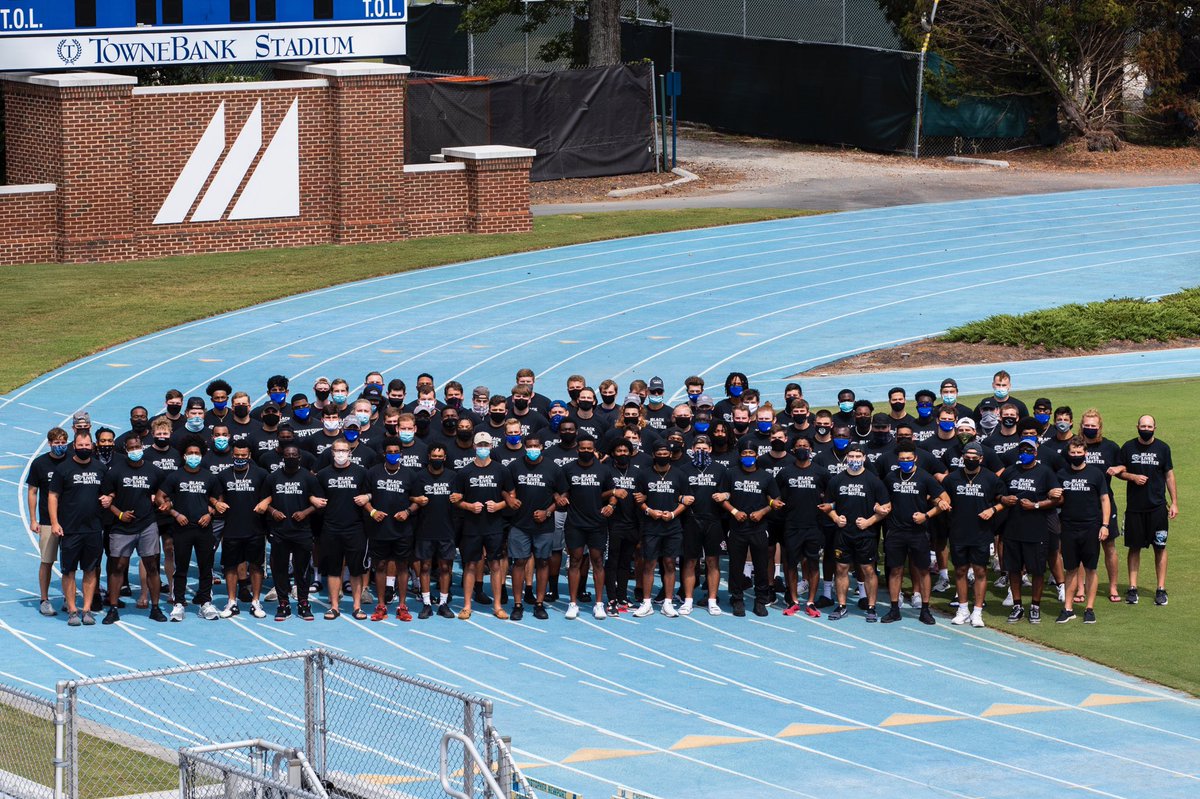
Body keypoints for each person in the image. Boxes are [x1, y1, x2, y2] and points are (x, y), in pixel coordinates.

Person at [100, 433, 168, 623]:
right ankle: (113, 608)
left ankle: (155, 608)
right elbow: (105, 500)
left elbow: (164, 494)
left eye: (138, 447)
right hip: (121, 527)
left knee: (152, 566)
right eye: (131, 448)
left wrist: (165, 503)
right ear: (125, 450)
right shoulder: (115, 472)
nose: (135, 450)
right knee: (117, 567)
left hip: (147, 524)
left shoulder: (154, 471)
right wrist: (120, 514)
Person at [881, 443, 949, 625]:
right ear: (898, 460)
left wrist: (926, 515)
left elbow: (945, 500)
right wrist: (882, 507)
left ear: (915, 459)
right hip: (895, 531)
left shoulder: (925, 478)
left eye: (908, 459)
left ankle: (925, 610)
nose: (905, 462)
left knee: (923, 571)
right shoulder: (891, 477)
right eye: (902, 460)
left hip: (918, 532)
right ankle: (894, 608)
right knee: (895, 570)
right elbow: (884, 499)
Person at [156, 436, 223, 622]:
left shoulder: (209, 477)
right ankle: (178, 603)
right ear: (184, 455)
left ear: (201, 455)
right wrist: (175, 513)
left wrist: (210, 514)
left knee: (205, 567)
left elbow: (219, 500)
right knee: (181, 567)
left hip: (204, 528)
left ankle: (205, 602)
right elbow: (159, 497)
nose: (194, 456)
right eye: (190, 453)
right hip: (182, 528)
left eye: (197, 453)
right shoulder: (175, 476)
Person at [48, 431, 109, 626]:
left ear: (92, 446)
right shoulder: (63, 469)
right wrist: (55, 522)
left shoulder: (100, 468)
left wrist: (110, 498)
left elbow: (108, 492)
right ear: (74, 446)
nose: (84, 448)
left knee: (91, 571)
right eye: (80, 445)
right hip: (70, 530)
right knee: (69, 571)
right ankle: (73, 610)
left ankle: (87, 609)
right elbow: (52, 496)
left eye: (87, 445)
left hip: (93, 529)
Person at [822, 444, 888, 622]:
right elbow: (827, 506)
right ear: (846, 459)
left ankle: (871, 607)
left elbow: (886, 507)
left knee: (868, 569)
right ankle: (842, 605)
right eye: (851, 456)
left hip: (865, 535)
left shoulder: (873, 481)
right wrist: (835, 518)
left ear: (864, 458)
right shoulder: (836, 480)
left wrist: (869, 521)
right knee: (841, 568)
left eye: (858, 457)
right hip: (843, 533)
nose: (854, 460)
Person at [452, 433, 515, 620]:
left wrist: (499, 505)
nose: (483, 447)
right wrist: (469, 506)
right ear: (474, 446)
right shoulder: (464, 472)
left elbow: (511, 496)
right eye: (480, 444)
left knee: (495, 565)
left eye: (486, 444)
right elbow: (456, 500)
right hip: (472, 526)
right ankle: (466, 605)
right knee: (470, 565)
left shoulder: (501, 470)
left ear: (491, 446)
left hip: (494, 525)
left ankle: (497, 606)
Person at [1118, 415, 1178, 606]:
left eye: (1149, 426)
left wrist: (1174, 502)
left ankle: (1161, 589)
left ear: (1155, 427)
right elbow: (1120, 471)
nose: (1146, 428)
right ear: (1137, 427)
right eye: (1143, 425)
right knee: (1134, 548)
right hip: (1135, 508)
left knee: (1160, 548)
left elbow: (1169, 475)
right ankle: (1133, 588)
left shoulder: (1163, 448)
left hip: (1158, 508)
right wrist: (1133, 477)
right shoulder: (1128, 447)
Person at [999, 439, 1061, 624]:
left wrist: (1035, 505)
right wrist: (1003, 498)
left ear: (1035, 453)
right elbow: (997, 493)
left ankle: (1035, 606)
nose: (1025, 452)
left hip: (1036, 529)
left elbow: (1058, 499)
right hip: (1012, 528)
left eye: (1029, 450)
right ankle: (1017, 606)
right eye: (1022, 449)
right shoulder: (1010, 472)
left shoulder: (1045, 473)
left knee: (1037, 571)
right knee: (1014, 570)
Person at [942, 442, 1002, 627]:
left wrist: (992, 510)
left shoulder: (991, 478)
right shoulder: (952, 478)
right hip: (958, 531)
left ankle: (977, 612)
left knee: (980, 571)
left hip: (981, 532)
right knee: (960, 570)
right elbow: (942, 495)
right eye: (967, 457)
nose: (970, 460)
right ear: (962, 458)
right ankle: (962, 609)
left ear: (981, 459)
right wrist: (942, 501)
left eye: (974, 457)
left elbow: (1003, 501)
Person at [507, 434, 567, 620]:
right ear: (524, 447)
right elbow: (504, 487)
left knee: (542, 562)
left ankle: (539, 604)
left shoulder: (553, 468)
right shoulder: (515, 466)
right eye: (529, 446)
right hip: (519, 524)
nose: (533, 449)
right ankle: (517, 604)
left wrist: (547, 512)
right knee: (519, 562)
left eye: (536, 446)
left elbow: (563, 493)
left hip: (544, 525)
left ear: (542, 446)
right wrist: (509, 498)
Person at [311, 439, 372, 620]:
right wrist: (312, 499)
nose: (340, 453)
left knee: (355, 570)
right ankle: (334, 607)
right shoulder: (322, 475)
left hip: (355, 528)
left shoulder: (361, 473)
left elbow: (373, 491)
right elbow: (311, 492)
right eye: (337, 450)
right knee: (333, 569)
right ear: (332, 452)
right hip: (330, 528)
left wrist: (367, 496)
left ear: (350, 452)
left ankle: (356, 606)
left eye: (344, 450)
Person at [1052, 436, 1110, 624]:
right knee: (1071, 569)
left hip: (1091, 527)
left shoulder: (1095, 474)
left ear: (1086, 453)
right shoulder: (1061, 474)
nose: (1076, 455)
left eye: (1079, 452)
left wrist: (1105, 525)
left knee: (1091, 569)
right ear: (1068, 454)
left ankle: (1089, 608)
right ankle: (1068, 608)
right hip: (1068, 527)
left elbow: (1104, 499)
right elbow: (1055, 498)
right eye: (1073, 453)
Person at [720, 445, 783, 617]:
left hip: (759, 528)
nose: (748, 456)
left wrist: (762, 512)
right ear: (740, 456)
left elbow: (775, 499)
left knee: (761, 566)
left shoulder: (766, 476)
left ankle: (761, 600)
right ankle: (737, 598)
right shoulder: (730, 473)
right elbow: (722, 497)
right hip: (737, 528)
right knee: (736, 566)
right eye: (745, 453)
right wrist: (734, 512)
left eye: (751, 453)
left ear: (756, 455)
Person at [632, 442, 693, 617]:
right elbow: (638, 499)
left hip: (673, 527)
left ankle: (668, 602)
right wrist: (649, 511)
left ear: (670, 455)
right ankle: (646, 603)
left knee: (669, 564)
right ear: (653, 454)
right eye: (660, 452)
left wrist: (673, 514)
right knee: (649, 564)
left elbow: (686, 500)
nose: (663, 455)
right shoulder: (644, 475)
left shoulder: (679, 475)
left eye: (666, 452)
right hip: (651, 526)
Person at [212, 442, 270, 619]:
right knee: (230, 567)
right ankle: (231, 602)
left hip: (255, 528)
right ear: (232, 455)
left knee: (256, 567)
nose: (239, 458)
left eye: (243, 455)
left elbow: (271, 492)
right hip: (231, 529)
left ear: (249, 455)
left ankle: (255, 601)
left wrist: (266, 502)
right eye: (237, 455)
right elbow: (214, 495)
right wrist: (216, 503)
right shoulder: (223, 475)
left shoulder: (260, 473)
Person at [365, 438, 421, 622]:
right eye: (390, 452)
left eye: (396, 451)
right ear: (384, 454)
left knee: (402, 566)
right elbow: (364, 498)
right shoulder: (373, 473)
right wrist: (372, 512)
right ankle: (381, 605)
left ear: (401, 454)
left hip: (403, 530)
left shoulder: (410, 475)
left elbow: (417, 500)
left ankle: (402, 606)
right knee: (380, 566)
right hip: (379, 529)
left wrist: (407, 512)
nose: (393, 455)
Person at [561, 435, 615, 620]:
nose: (585, 451)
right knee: (574, 561)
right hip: (575, 523)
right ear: (577, 450)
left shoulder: (604, 470)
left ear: (594, 450)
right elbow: (562, 491)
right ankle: (572, 604)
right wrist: (559, 498)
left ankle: (599, 604)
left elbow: (612, 492)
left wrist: (612, 505)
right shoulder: (568, 469)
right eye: (582, 449)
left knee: (598, 561)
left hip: (597, 524)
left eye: (589, 449)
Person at [262, 444, 319, 620]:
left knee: (302, 569)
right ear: (283, 458)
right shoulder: (273, 478)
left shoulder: (308, 478)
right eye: (288, 455)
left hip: (302, 531)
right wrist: (273, 512)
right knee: (279, 569)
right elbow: (263, 501)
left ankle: (303, 602)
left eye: (294, 454)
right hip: (279, 531)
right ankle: (283, 603)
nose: (291, 457)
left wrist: (305, 513)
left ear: (299, 457)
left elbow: (319, 502)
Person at [775, 437, 826, 617]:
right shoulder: (785, 472)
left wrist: (829, 506)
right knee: (790, 565)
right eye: (799, 446)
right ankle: (794, 600)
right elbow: (773, 494)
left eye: (805, 446)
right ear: (793, 449)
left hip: (814, 526)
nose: (802, 449)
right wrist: (774, 502)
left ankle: (810, 601)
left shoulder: (821, 472)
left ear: (811, 449)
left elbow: (831, 495)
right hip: (791, 525)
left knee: (812, 565)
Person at [1079, 408, 1125, 603]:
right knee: (1080, 548)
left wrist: (1119, 468)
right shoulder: (1076, 446)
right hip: (1080, 505)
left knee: (1109, 546)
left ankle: (1113, 587)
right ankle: (1080, 588)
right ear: (1081, 426)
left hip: (1105, 504)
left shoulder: (1111, 447)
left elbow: (1124, 466)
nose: (1090, 429)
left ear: (1099, 427)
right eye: (1087, 425)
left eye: (1093, 426)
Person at [682, 436, 728, 616]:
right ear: (692, 449)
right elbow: (677, 493)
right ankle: (688, 600)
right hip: (691, 520)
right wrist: (681, 498)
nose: (701, 451)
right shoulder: (684, 469)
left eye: (705, 448)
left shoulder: (720, 469)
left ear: (710, 449)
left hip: (713, 520)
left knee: (712, 561)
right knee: (690, 561)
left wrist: (725, 495)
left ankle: (712, 600)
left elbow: (728, 492)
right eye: (698, 448)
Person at [411, 444, 458, 619]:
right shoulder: (420, 476)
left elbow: (460, 497)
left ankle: (444, 603)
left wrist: (459, 497)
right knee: (425, 567)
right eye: (434, 456)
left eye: (440, 457)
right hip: (425, 529)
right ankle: (426, 603)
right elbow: (412, 497)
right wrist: (415, 498)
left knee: (445, 567)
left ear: (445, 458)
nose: (437, 459)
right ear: (429, 457)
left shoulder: (453, 476)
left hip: (446, 529)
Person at [27, 427, 70, 616]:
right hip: (46, 520)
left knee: (69, 563)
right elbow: (32, 492)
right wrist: (33, 519)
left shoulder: (72, 461)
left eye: (63, 442)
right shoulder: (40, 464)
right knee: (47, 561)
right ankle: (44, 599)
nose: (60, 446)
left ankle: (69, 600)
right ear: (49, 443)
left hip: (70, 520)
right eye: (56, 443)